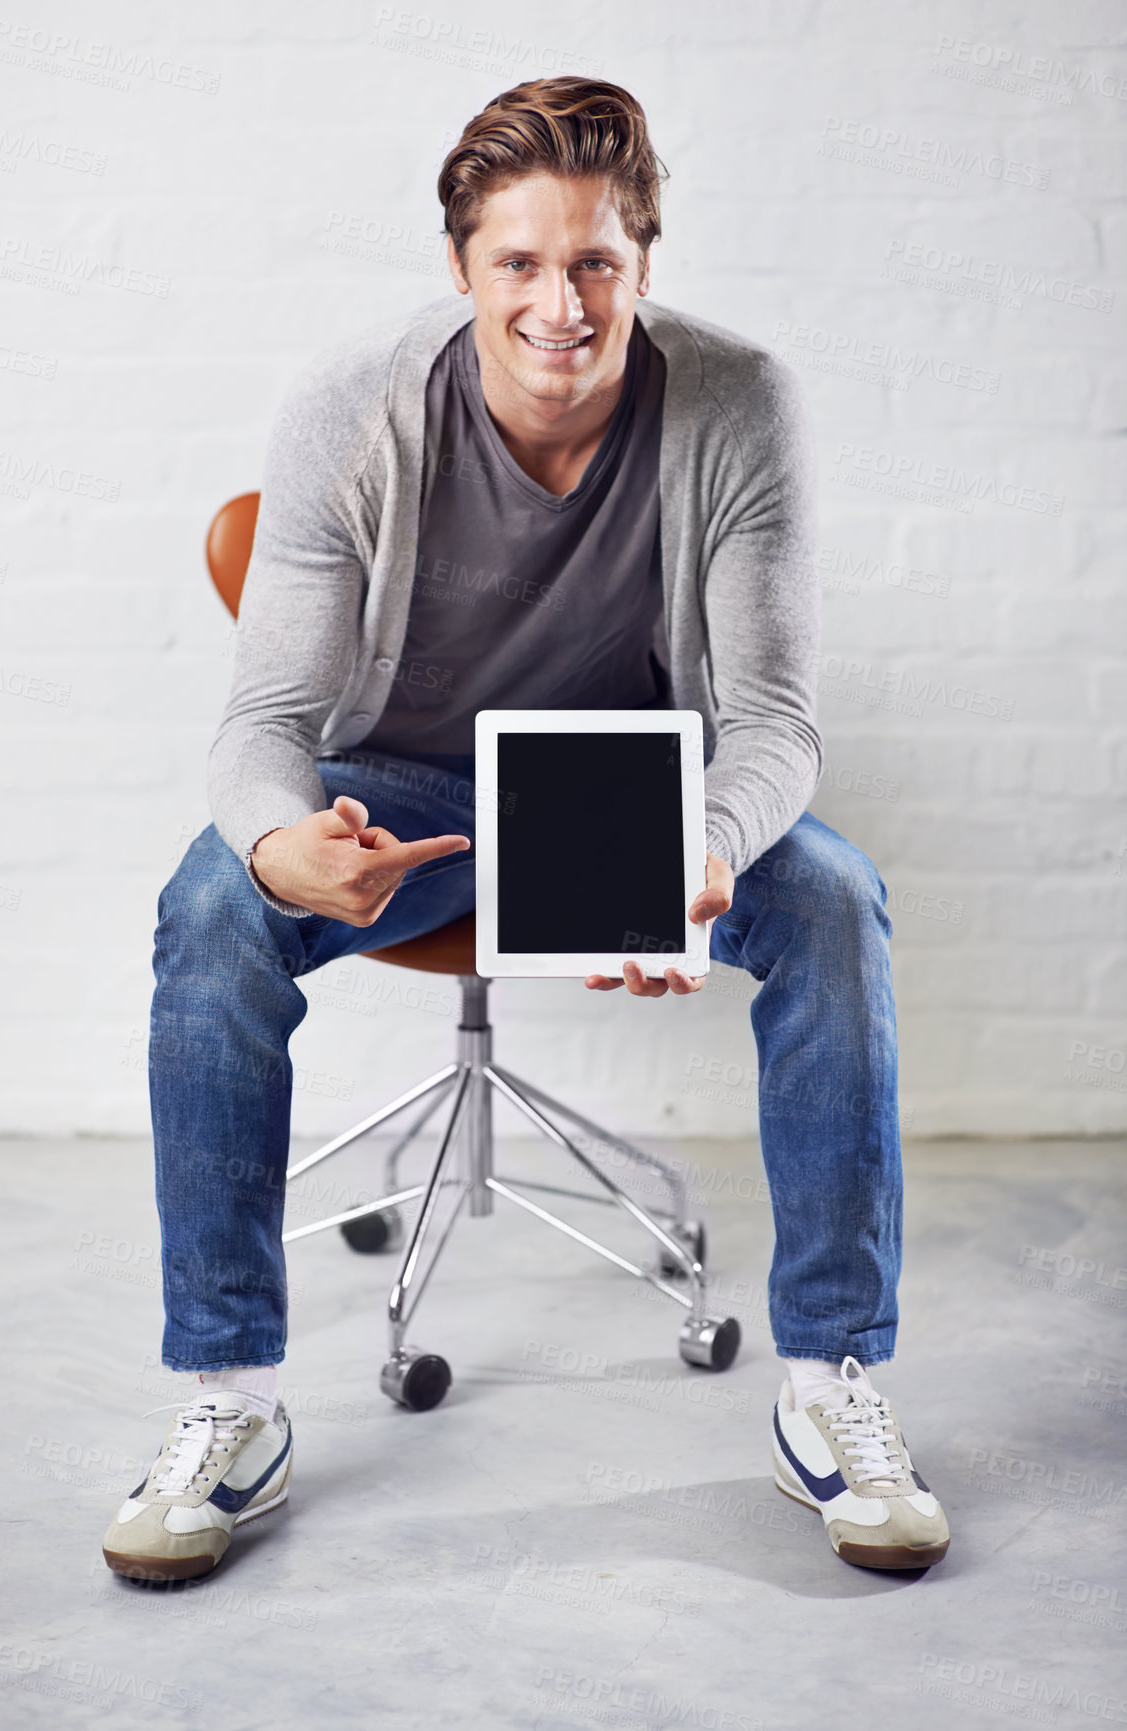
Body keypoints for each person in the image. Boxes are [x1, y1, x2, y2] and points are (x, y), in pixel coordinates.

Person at [103, 77, 949, 1583]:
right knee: (211, 909)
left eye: (596, 264)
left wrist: (706, 843)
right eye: (519, 264)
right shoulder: (351, 407)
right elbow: (264, 725)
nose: (559, 304)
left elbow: (771, 722)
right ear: (462, 268)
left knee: (834, 900)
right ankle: (228, 1402)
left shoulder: (740, 404)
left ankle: (830, 1382)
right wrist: (279, 841)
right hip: (405, 787)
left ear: (644, 260)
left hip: (638, 785)